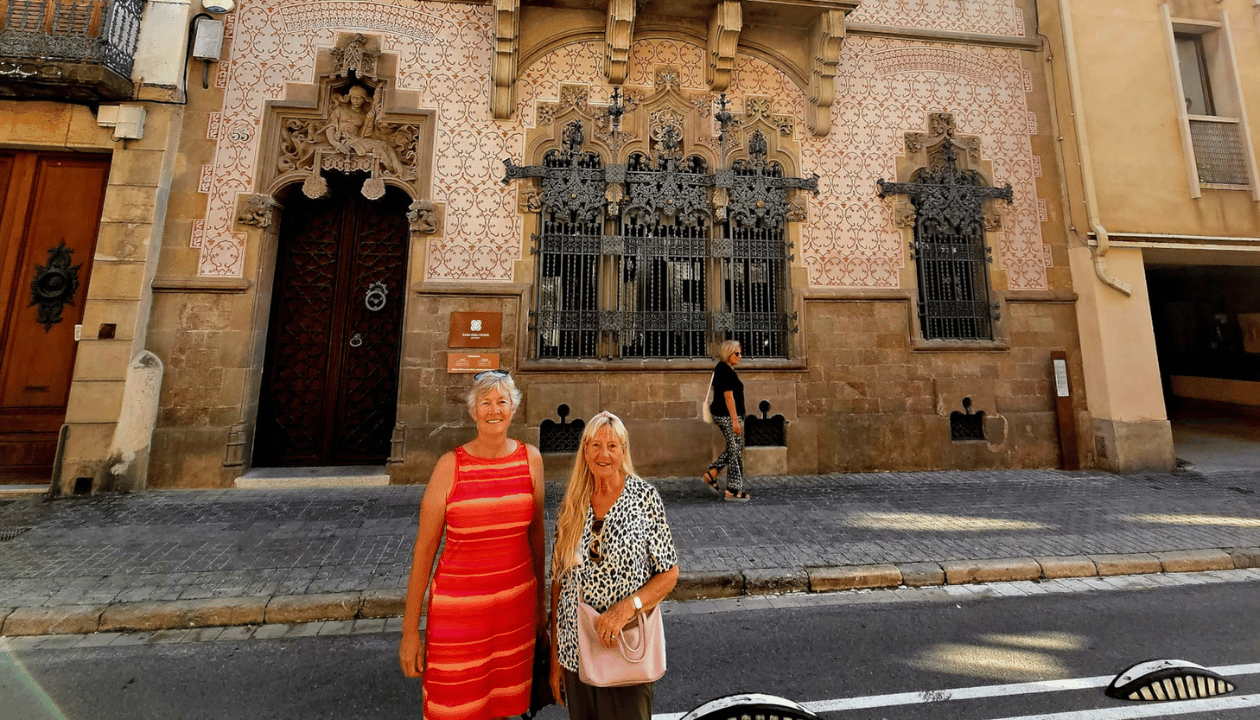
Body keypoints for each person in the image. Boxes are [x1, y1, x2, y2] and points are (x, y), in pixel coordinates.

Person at [399, 370, 547, 720]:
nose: (494, 410)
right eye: (485, 402)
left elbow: (537, 537)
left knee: (503, 707)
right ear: (473, 411)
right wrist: (409, 633)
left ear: (514, 408)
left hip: (514, 613)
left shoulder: (532, 460)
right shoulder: (449, 466)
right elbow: (424, 550)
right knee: (454, 708)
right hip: (458, 618)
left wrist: (540, 611)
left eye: (501, 402)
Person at [549, 412, 679, 720]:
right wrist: (556, 658)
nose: (603, 454)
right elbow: (558, 581)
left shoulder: (644, 497)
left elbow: (669, 574)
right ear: (585, 451)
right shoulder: (573, 504)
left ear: (623, 452)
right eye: (595, 445)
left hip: (626, 645)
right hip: (576, 651)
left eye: (612, 445)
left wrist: (626, 608)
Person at [701, 339, 751, 501]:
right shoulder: (725, 370)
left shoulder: (723, 369)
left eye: (740, 353)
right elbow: (728, 397)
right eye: (737, 353)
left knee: (734, 447)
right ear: (728, 353)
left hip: (724, 414)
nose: (740, 356)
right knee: (735, 448)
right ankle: (733, 490)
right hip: (726, 415)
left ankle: (712, 474)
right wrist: (735, 421)